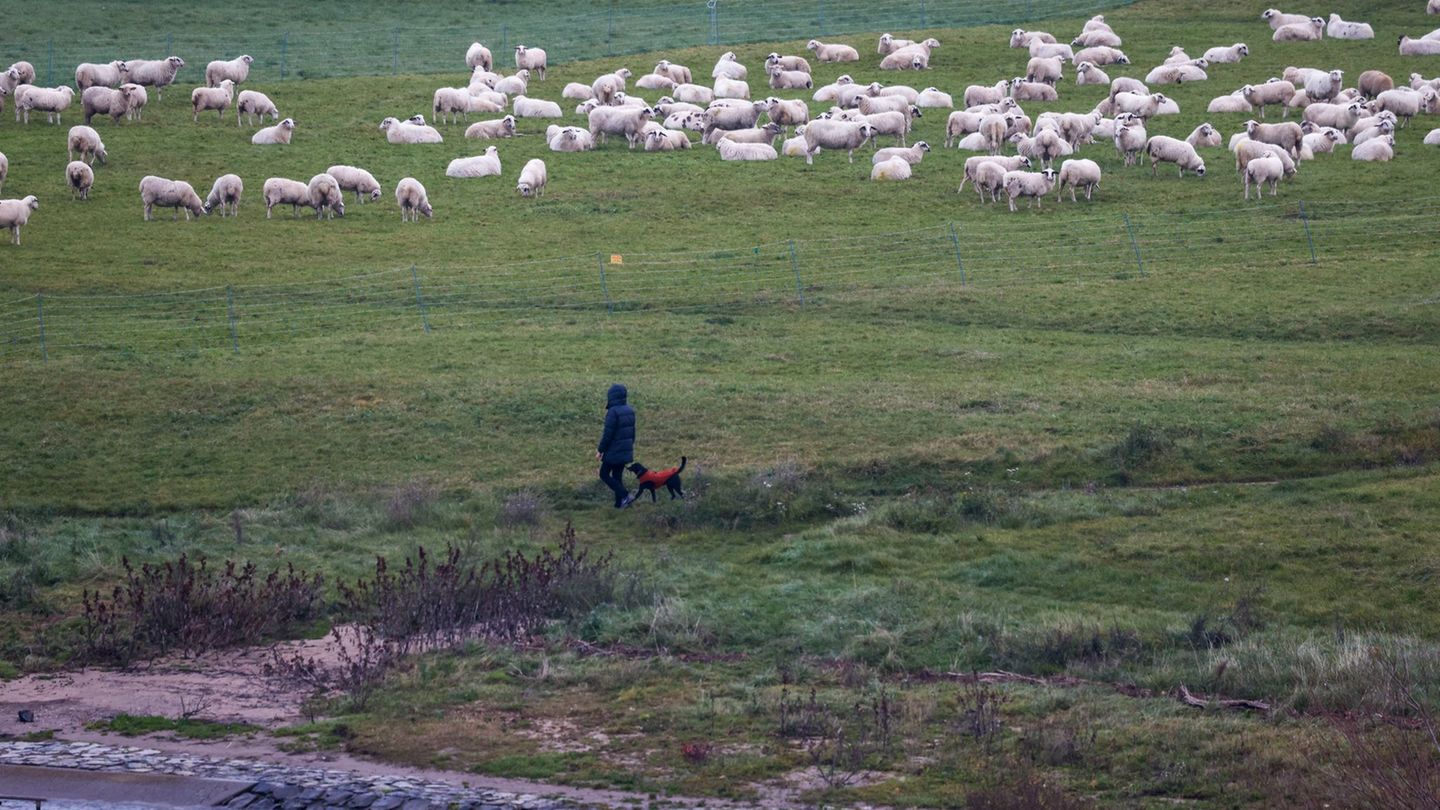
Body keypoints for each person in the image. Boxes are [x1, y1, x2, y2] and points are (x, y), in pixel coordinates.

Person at [596, 383, 636, 508]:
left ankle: (625, 495)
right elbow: (633, 433)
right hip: (625, 450)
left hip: (614, 450)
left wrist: (600, 450)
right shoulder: (630, 410)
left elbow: (608, 434)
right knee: (617, 476)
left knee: (604, 474)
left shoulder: (613, 412)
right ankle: (619, 504)